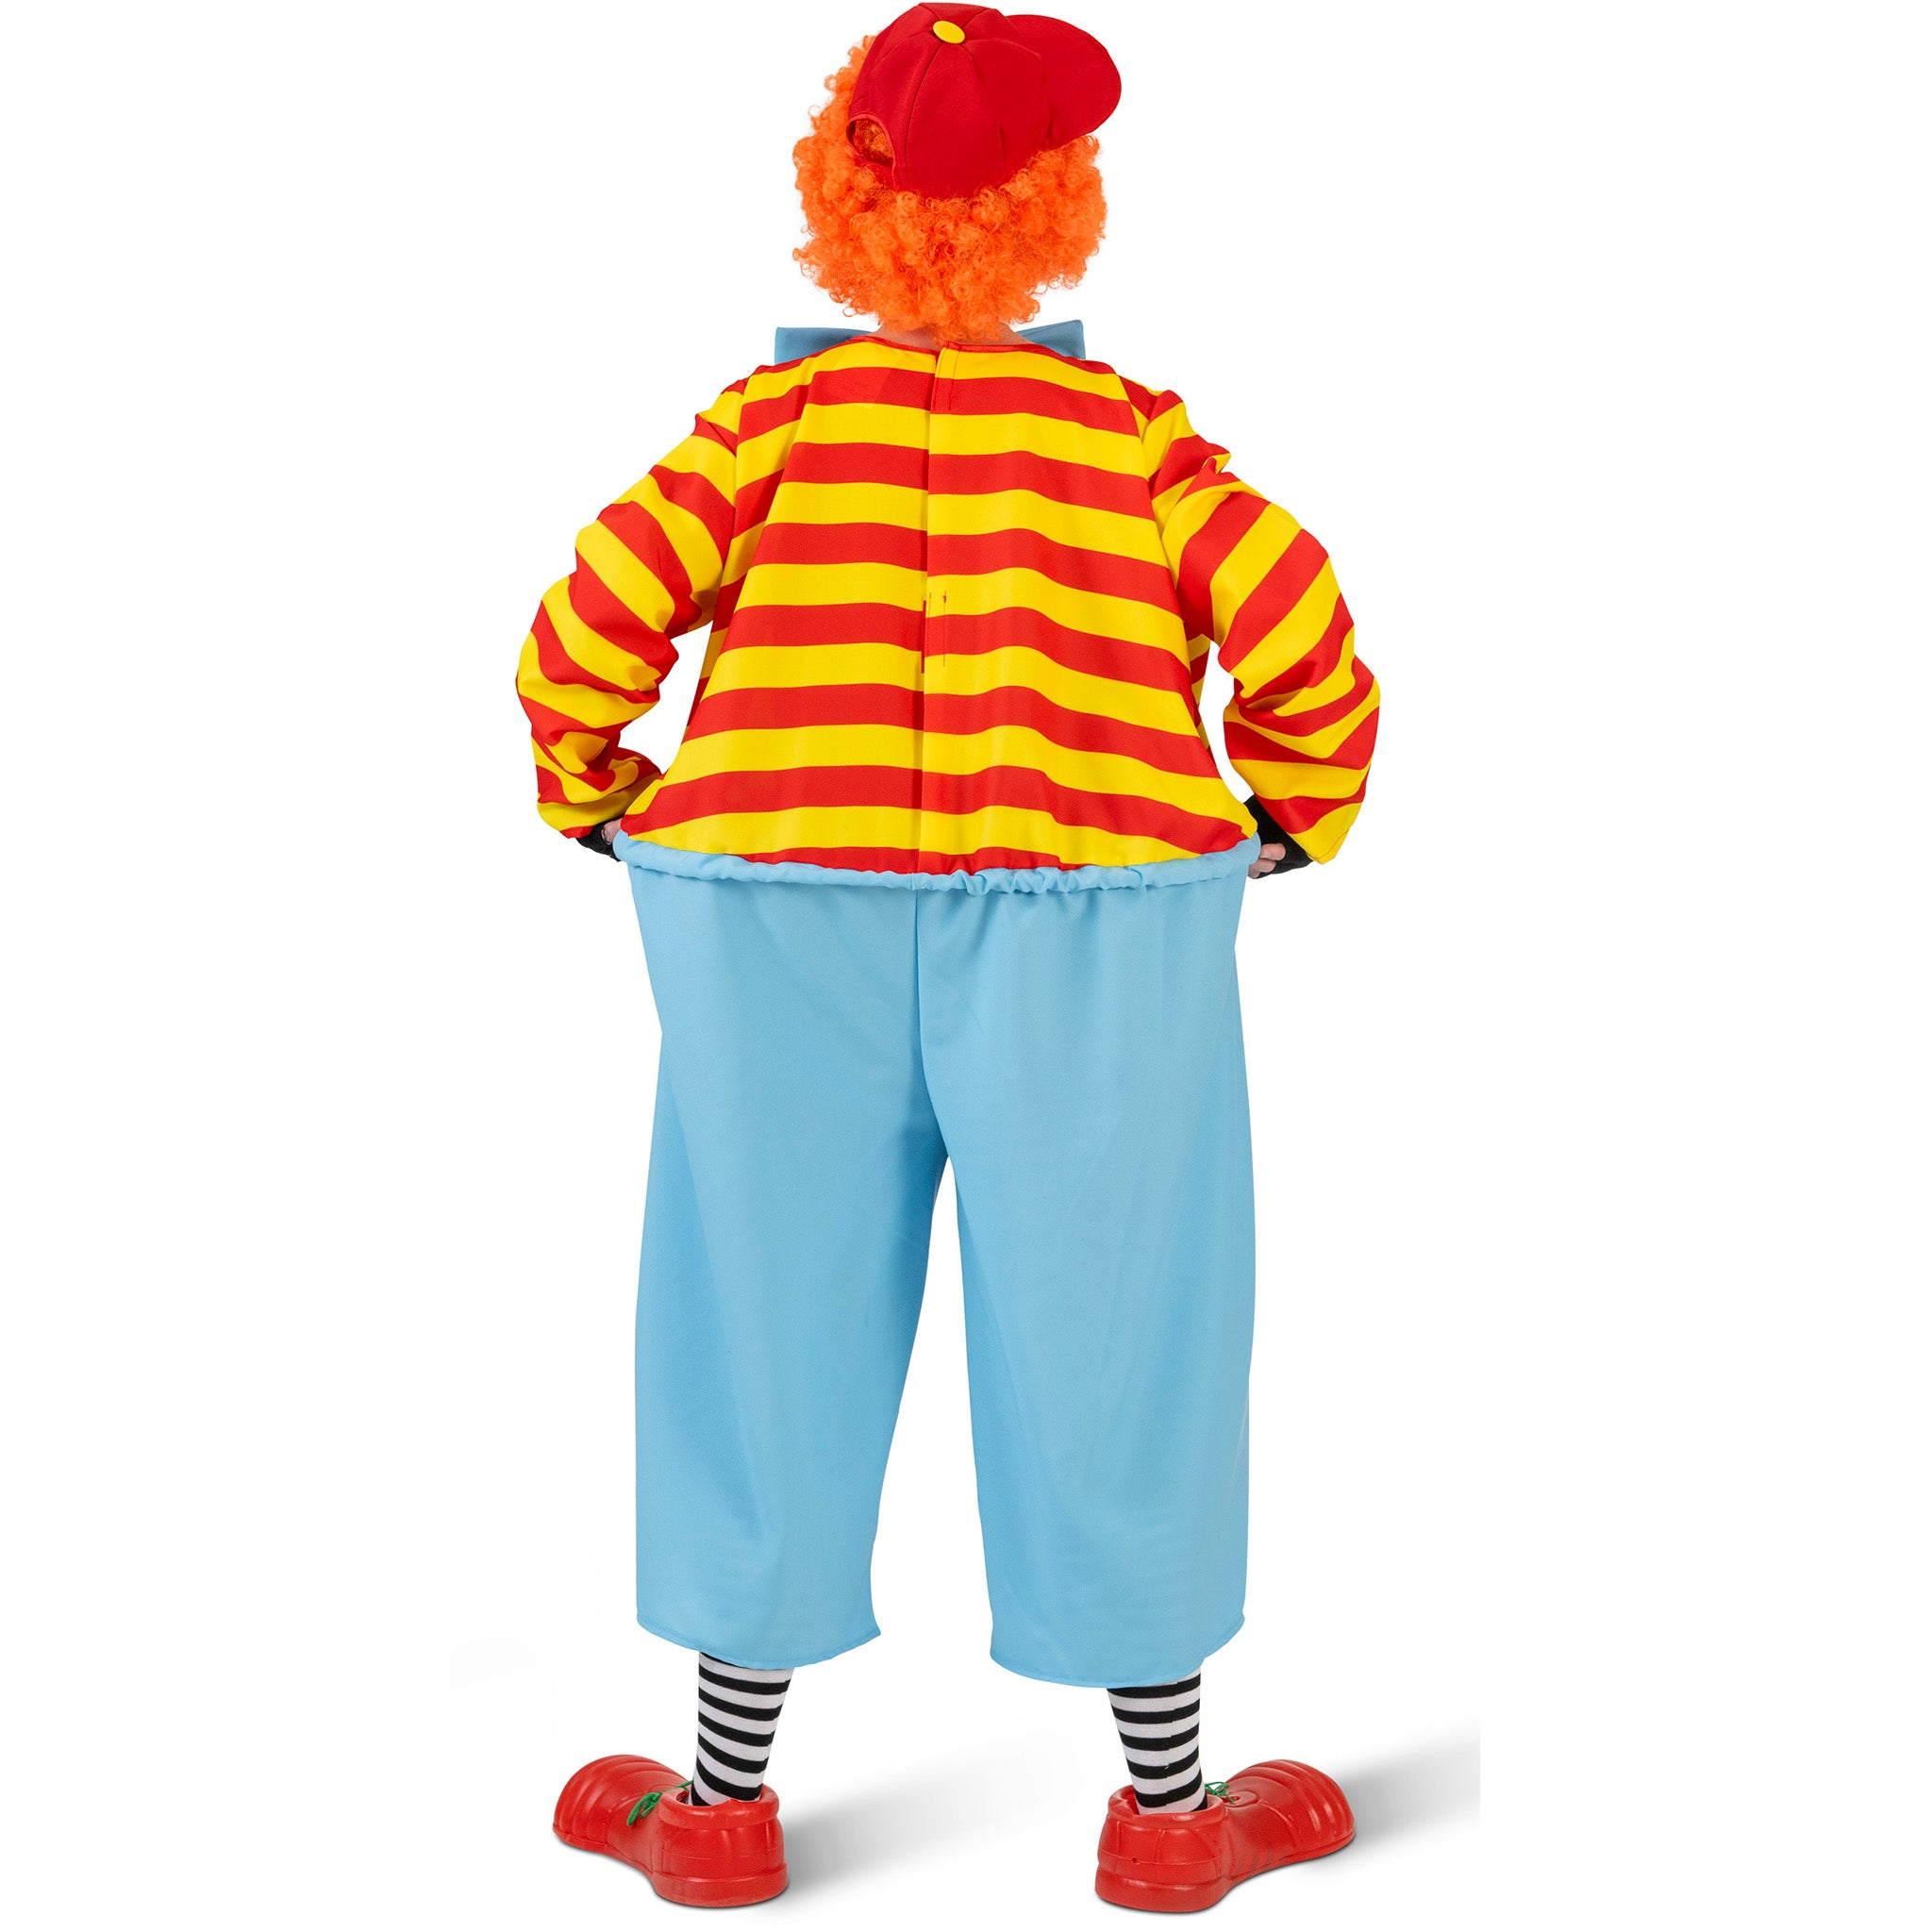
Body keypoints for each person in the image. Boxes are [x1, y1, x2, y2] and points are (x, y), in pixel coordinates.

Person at [520, 6, 1378, 1910]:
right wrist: (1293, 811)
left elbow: (592, 615)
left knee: (757, 1317)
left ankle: (720, 1802)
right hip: (1094, 923)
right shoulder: (1129, 437)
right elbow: (1295, 615)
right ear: (1061, 205)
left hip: (776, 917)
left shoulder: (765, 426)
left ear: (840, 201)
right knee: (1122, 1321)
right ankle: (1169, 1812)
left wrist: (593, 788)